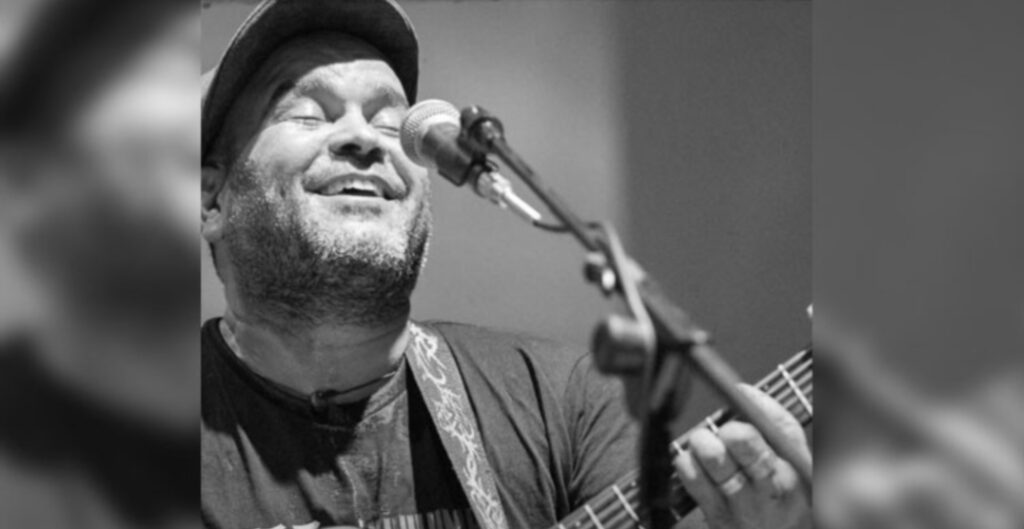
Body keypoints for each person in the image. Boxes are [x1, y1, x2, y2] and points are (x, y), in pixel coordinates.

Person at [199, 1, 810, 529]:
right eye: (307, 113)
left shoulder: (565, 403)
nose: (366, 138)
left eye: (391, 122)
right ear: (210, 200)